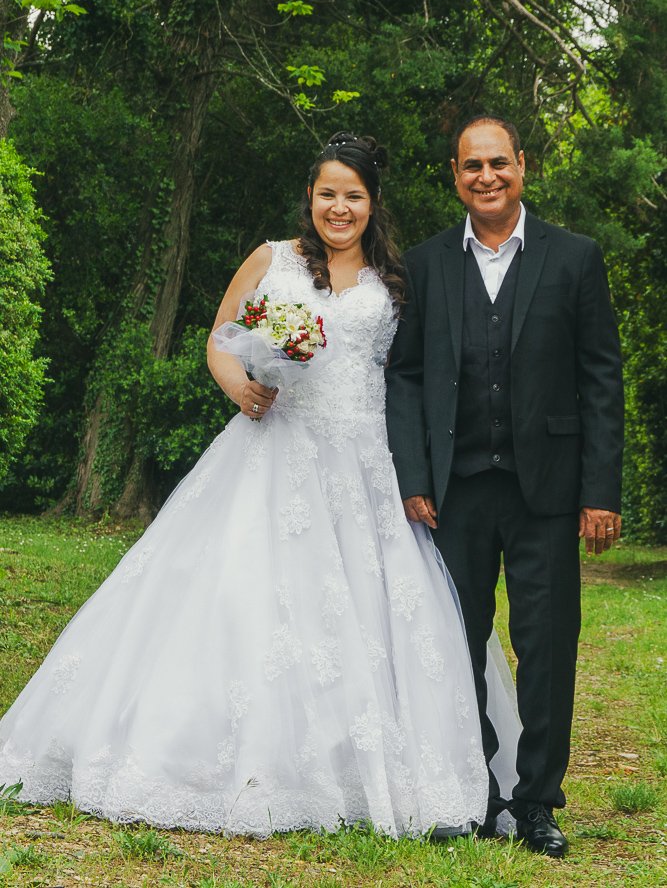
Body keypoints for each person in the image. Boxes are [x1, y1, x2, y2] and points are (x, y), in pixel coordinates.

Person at [0, 132, 518, 838]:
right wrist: (243, 386)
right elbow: (220, 336)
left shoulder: (394, 279)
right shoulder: (272, 260)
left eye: (354, 196)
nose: (340, 207)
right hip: (274, 446)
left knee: (375, 613)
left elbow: (410, 373)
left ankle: (371, 767)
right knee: (245, 597)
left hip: (365, 461)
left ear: (372, 204)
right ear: (310, 197)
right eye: (328, 193)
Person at [385, 115, 624, 858]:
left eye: (497, 163)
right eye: (470, 167)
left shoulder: (574, 258)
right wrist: (414, 475)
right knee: (455, 644)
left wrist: (600, 491)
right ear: (453, 176)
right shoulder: (425, 264)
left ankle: (536, 803)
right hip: (453, 491)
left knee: (546, 646)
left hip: (546, 492)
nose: (484, 177)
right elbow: (405, 374)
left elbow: (599, 377)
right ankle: (474, 794)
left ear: (521, 165)